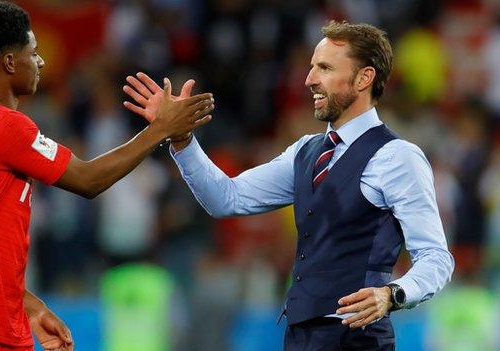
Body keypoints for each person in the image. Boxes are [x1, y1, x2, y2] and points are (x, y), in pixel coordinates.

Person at [123, 21, 454, 350]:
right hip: (299, 338)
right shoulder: (305, 152)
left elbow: (436, 258)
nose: (309, 80)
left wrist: (392, 294)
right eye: (311, 68)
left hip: (358, 340)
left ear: (364, 78)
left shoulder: (397, 157)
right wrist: (180, 137)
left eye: (324, 68)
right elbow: (226, 198)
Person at [0, 2, 214, 351]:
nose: (40, 62)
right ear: (10, 63)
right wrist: (161, 129)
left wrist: (31, 307)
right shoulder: (4, 126)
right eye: (33, 53)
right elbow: (88, 180)